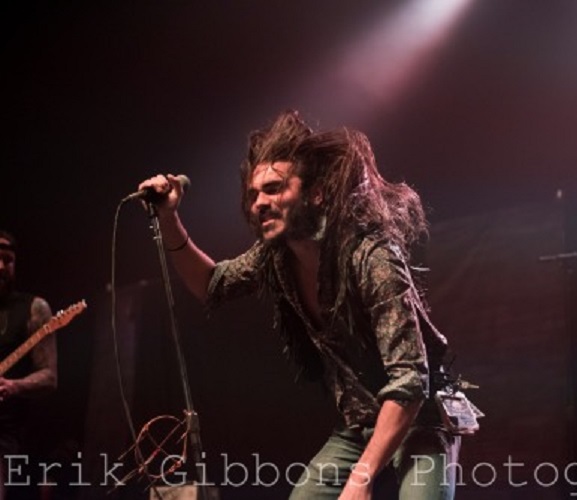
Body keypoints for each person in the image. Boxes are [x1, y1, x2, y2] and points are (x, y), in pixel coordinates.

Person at [138, 110, 469, 499]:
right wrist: (168, 217)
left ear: (316, 193)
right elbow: (211, 284)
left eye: (273, 189)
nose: (259, 203)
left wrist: (360, 479)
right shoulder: (275, 257)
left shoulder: (371, 257)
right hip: (359, 422)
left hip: (419, 416)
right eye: (253, 194)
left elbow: (410, 381)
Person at [0, 230, 57, 500]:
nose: (1, 266)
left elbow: (49, 376)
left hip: (5, 433)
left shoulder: (34, 308)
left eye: (8, 259)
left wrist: (13, 385)